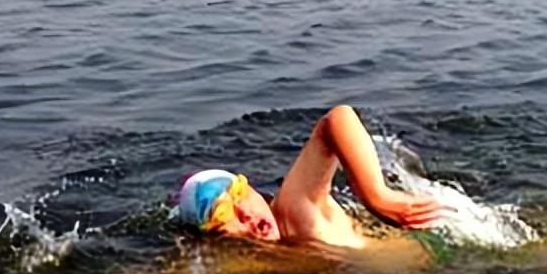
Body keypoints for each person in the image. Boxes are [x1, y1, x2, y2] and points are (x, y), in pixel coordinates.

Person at [176, 105, 447, 247]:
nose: (245, 213)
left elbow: (337, 119)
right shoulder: (275, 251)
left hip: (441, 248)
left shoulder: (294, 210)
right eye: (223, 214)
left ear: (253, 190)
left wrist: (377, 197)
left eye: (238, 193)